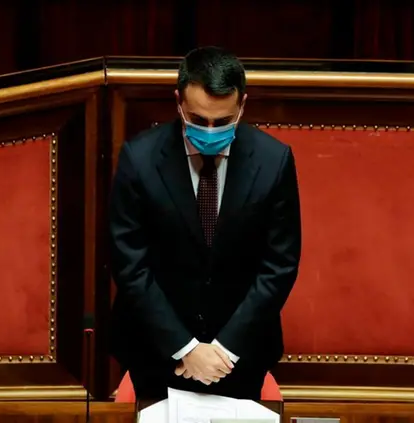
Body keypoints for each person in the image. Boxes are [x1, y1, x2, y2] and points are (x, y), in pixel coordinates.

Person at [108, 46, 301, 401]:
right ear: (178, 101)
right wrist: (185, 348)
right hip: (157, 353)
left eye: (222, 122)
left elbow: (279, 265)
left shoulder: (274, 161)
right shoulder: (140, 159)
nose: (210, 132)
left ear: (242, 105)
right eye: (198, 120)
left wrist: (225, 350)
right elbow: (130, 264)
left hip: (240, 357)